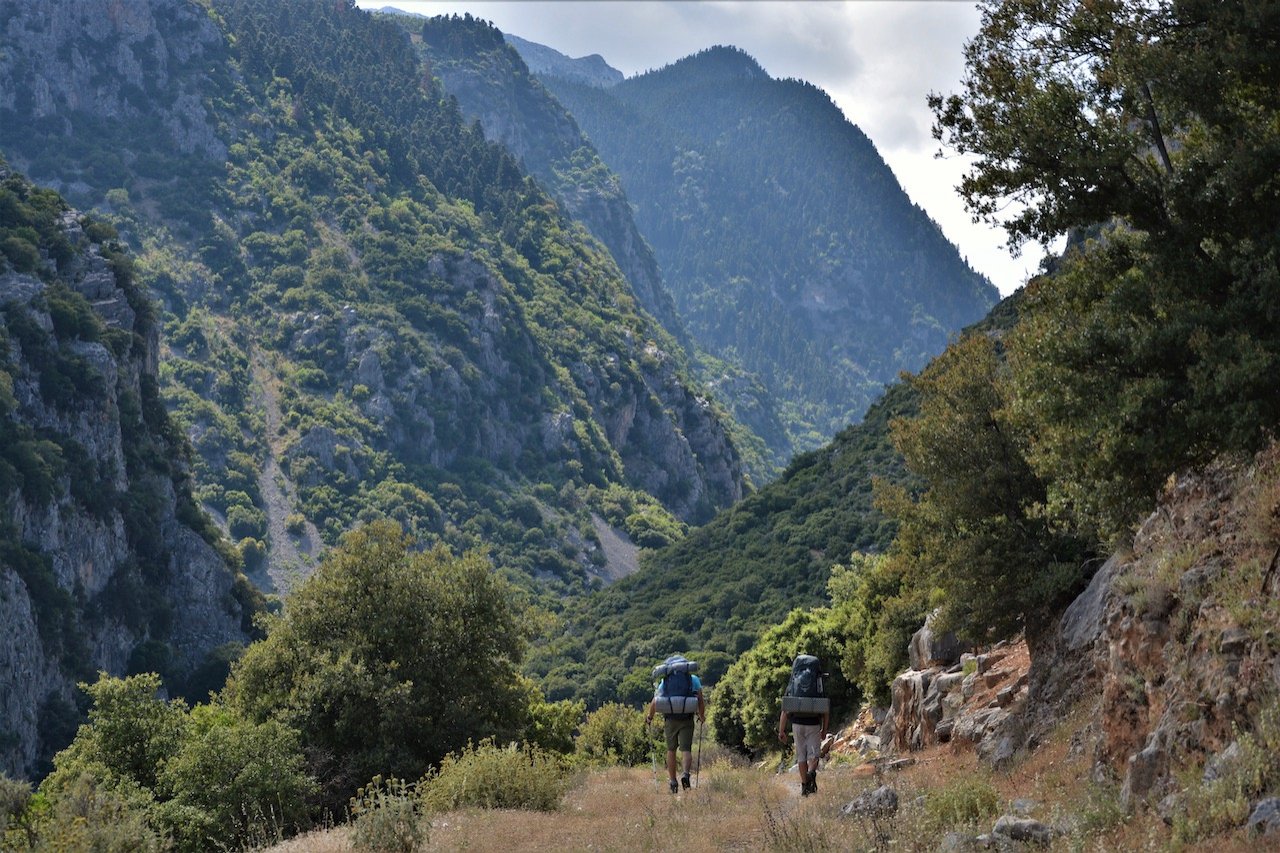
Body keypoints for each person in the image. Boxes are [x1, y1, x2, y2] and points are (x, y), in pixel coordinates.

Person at [645, 656, 705, 793]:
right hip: (687, 718)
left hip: (670, 719)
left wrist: (650, 717)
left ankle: (673, 782)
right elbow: (701, 700)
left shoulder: (665, 681)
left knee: (671, 750)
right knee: (686, 749)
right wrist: (701, 717)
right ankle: (685, 774)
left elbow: (655, 701)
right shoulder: (693, 679)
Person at [777, 666, 829, 796]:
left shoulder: (793, 685)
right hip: (813, 724)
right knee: (814, 754)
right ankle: (811, 773)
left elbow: (784, 710)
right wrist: (824, 729)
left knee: (801, 756)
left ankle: (805, 786)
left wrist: (781, 731)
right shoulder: (818, 684)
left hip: (797, 724)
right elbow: (825, 710)